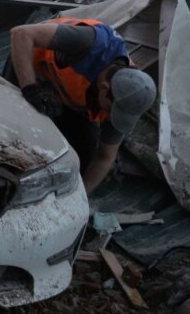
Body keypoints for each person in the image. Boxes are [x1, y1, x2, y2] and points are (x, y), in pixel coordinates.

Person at [9, 17, 157, 193]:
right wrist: (30, 89)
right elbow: (20, 33)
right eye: (111, 109)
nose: (111, 116)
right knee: (12, 131)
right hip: (30, 67)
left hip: (70, 96)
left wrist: (79, 197)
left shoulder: (128, 98)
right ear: (104, 88)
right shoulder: (89, 43)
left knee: (82, 157)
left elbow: (104, 157)